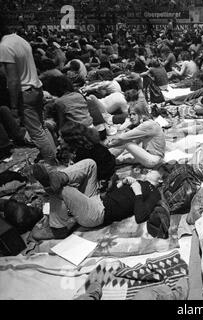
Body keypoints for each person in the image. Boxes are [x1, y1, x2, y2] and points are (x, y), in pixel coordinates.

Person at [31, 159, 162, 240]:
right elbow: (116, 196)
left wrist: (138, 193)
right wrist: (121, 184)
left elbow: (141, 216)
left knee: (62, 190)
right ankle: (60, 176)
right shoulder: (138, 181)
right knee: (90, 164)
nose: (148, 171)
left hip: (97, 213)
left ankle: (58, 228)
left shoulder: (154, 193)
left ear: (160, 180)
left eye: (155, 170)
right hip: (97, 199)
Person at [0, 17, 57, 164]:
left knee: (36, 132)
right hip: (36, 87)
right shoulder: (20, 40)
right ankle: (54, 154)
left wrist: (13, 106)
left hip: (25, 93)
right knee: (41, 127)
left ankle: (52, 163)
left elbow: (12, 80)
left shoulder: (4, 47)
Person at [107, 100, 165, 168]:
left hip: (154, 160)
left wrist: (108, 145)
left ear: (141, 114)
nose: (131, 117)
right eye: (130, 115)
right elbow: (135, 141)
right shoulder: (147, 123)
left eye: (134, 114)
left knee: (125, 142)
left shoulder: (147, 125)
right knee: (122, 157)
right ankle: (108, 157)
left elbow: (122, 138)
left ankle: (106, 158)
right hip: (154, 158)